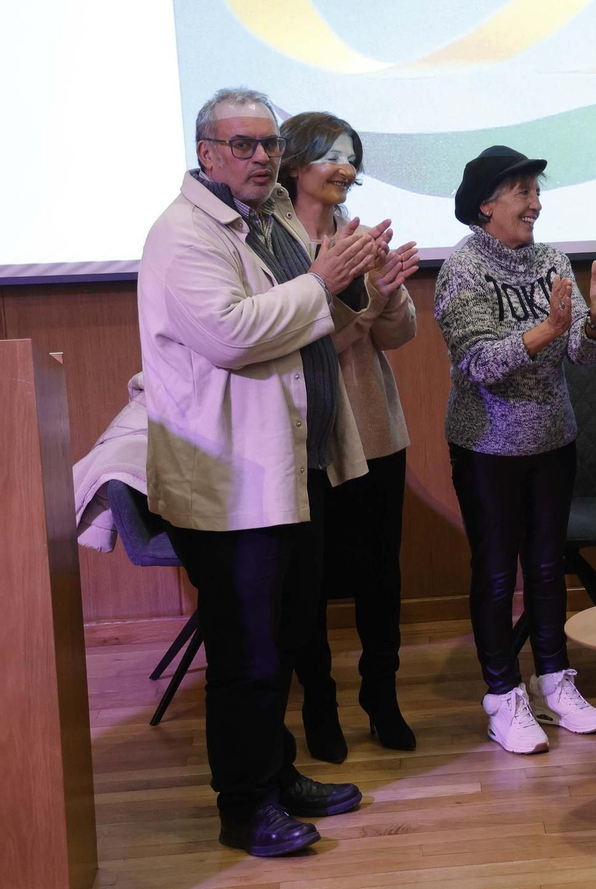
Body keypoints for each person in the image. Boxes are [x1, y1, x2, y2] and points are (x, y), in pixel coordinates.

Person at [137, 86, 399, 856]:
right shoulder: (182, 234)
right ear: (206, 152)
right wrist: (323, 282)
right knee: (246, 657)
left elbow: (312, 324)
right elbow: (230, 333)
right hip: (233, 484)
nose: (261, 157)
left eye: (270, 143)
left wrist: (362, 291)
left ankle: (278, 771)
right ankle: (243, 807)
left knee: (282, 641)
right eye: (243, 144)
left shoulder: (275, 216)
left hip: (294, 470)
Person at [436, 146, 596, 755]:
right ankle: (503, 696)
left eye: (536, 190)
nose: (535, 202)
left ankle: (555, 681)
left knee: (549, 568)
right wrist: (549, 330)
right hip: (487, 446)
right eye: (522, 191)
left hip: (555, 438)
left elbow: (581, 356)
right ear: (485, 204)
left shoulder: (551, 259)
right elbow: (478, 364)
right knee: (498, 575)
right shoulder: (462, 269)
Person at [276, 112, 421, 762]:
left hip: (376, 428)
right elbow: (315, 340)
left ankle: (381, 695)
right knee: (306, 582)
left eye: (351, 156)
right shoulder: (271, 244)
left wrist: (388, 291)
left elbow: (399, 334)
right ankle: (321, 702)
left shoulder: (360, 238)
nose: (344, 167)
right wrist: (364, 302)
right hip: (311, 437)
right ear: (296, 163)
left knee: (380, 575)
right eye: (331, 154)